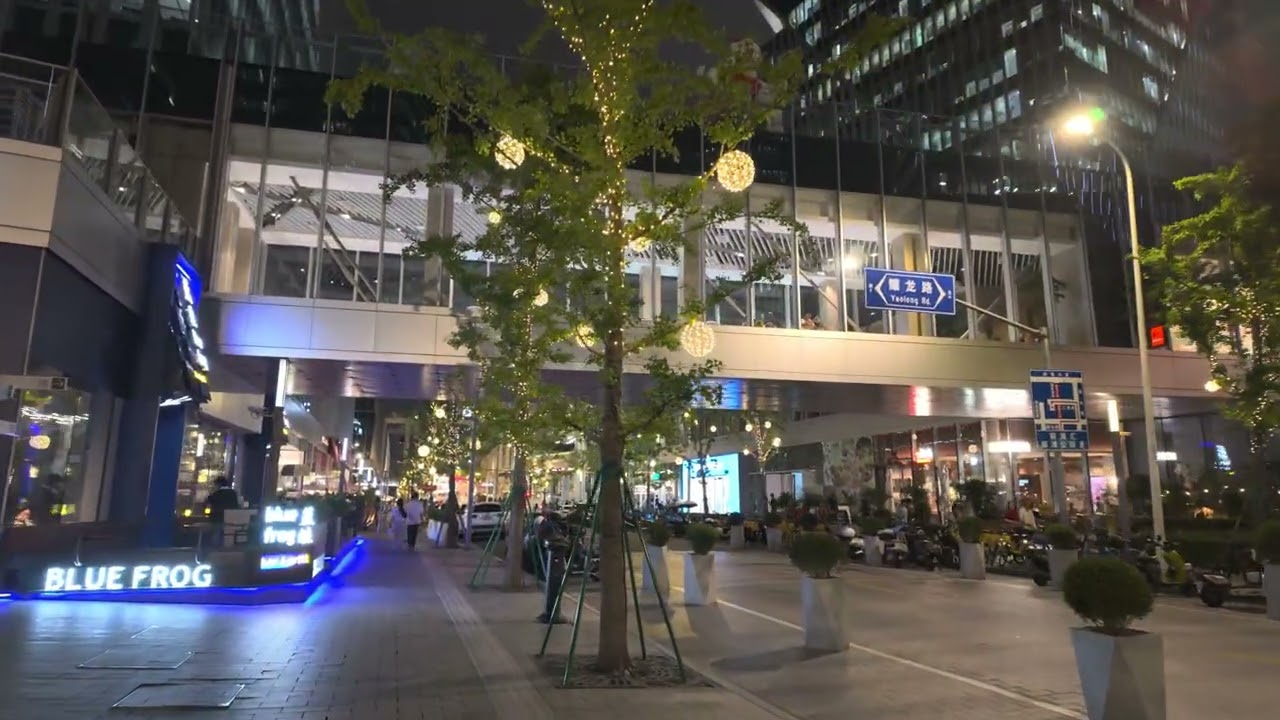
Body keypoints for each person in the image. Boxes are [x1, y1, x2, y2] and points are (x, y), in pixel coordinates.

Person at [205, 476, 239, 547]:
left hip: (217, 519)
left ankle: (215, 551)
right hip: (232, 520)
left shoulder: (216, 494)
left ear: (218, 484)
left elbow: (207, 503)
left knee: (216, 538)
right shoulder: (233, 493)